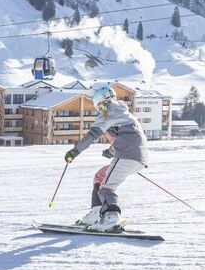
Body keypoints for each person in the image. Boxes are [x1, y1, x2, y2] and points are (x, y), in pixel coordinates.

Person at [63, 84, 149, 231]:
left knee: (106, 188)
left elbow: (92, 136)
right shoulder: (125, 113)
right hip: (137, 157)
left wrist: (74, 151)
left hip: (127, 156)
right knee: (100, 177)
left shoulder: (107, 114)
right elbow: (129, 137)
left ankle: (112, 217)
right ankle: (96, 212)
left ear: (99, 104)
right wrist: (110, 152)